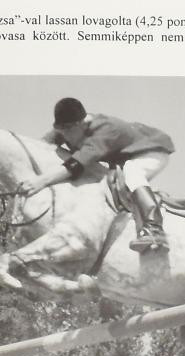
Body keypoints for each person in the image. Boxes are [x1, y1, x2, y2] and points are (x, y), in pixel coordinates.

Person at [20, 98, 175, 253]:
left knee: (132, 171)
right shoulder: (68, 127)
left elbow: (74, 165)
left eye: (68, 130)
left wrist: (41, 181)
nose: (65, 135)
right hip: (125, 157)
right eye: (61, 130)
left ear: (81, 124)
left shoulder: (105, 130)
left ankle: (154, 229)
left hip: (151, 151)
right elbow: (40, 147)